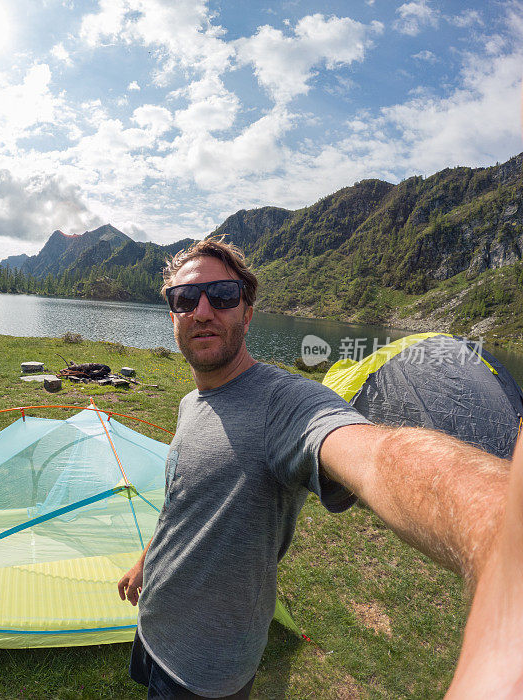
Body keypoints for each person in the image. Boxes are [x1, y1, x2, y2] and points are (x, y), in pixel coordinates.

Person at [117, 237, 518, 699]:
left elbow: (373, 457)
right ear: (172, 315)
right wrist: (146, 562)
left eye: (223, 295)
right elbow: (182, 500)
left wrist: (503, 530)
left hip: (206, 669)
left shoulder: (283, 402)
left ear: (246, 312)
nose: (203, 311)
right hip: (156, 625)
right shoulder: (192, 402)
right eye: (186, 299)